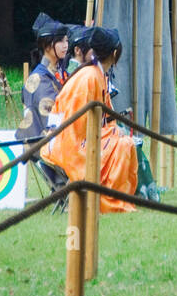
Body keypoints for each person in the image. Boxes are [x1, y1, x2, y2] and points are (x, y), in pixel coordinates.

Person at [44, 26, 138, 213]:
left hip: (84, 136)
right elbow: (75, 126)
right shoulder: (89, 77)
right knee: (124, 145)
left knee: (124, 140)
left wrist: (112, 130)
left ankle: (116, 196)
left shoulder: (97, 74)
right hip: (69, 144)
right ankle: (109, 200)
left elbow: (104, 117)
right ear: (114, 53)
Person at [15, 13, 70, 193]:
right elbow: (53, 118)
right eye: (61, 41)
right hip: (45, 143)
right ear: (47, 46)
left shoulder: (54, 71)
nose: (66, 45)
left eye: (66, 41)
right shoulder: (39, 78)